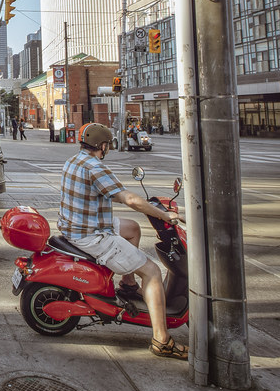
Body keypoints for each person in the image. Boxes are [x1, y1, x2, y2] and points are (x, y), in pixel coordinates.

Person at [57, 122, 187, 360]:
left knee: (132, 228)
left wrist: (146, 207)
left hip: (78, 224)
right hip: (91, 235)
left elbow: (102, 193)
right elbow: (129, 198)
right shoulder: (95, 167)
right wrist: (163, 215)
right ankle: (162, 339)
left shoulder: (73, 161)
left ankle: (127, 284)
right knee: (152, 272)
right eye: (107, 145)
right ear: (102, 145)